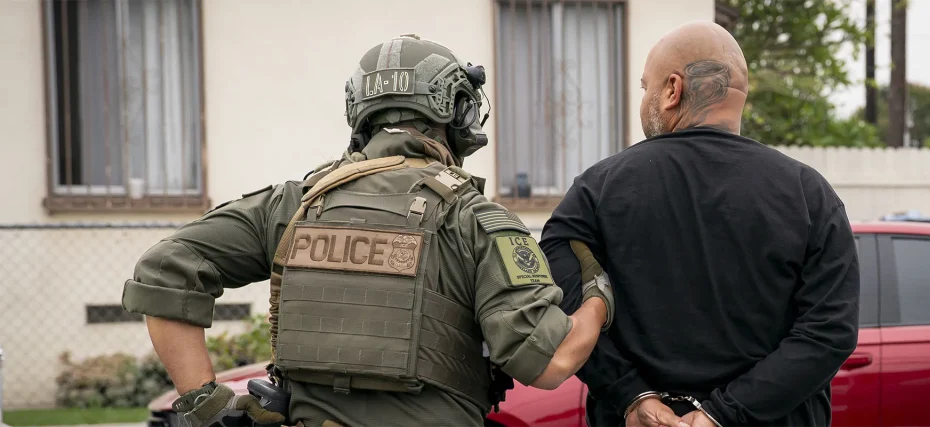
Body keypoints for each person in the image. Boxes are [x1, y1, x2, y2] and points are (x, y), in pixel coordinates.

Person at [121, 34, 614, 427]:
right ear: (455, 110)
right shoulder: (475, 219)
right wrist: (597, 297)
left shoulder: (295, 204)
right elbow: (549, 362)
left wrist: (206, 404)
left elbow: (165, 269)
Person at [539, 21, 860, 427]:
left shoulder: (595, 191)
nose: (644, 99)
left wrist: (631, 394)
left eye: (646, 87)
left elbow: (558, 302)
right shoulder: (809, 195)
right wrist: (722, 413)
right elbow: (828, 333)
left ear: (672, 90)